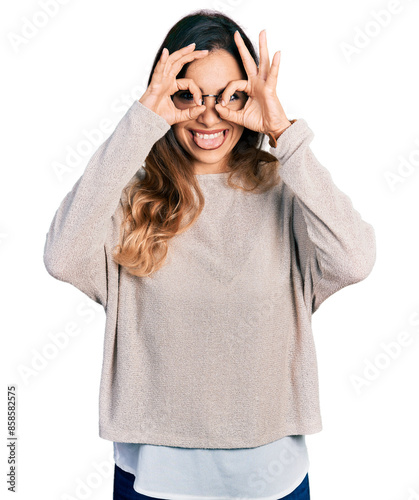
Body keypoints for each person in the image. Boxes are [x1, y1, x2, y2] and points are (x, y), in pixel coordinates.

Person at [43, 9, 376, 500]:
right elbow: (61, 256)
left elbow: (355, 259)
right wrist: (139, 124)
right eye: (188, 95)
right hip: (153, 479)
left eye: (231, 96)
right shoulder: (131, 198)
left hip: (273, 477)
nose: (209, 115)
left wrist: (284, 131)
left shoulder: (286, 191)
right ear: (165, 98)